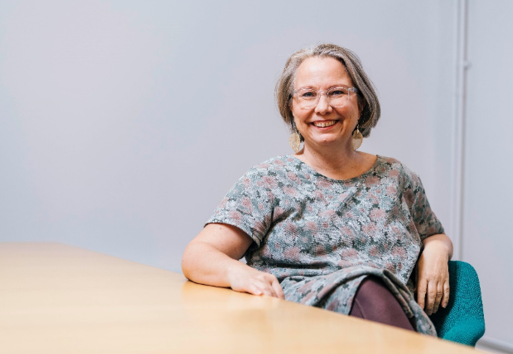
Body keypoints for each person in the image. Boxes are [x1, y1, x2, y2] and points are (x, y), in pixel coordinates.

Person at [181, 43, 452, 335]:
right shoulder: (268, 180)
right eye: (308, 94)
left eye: (337, 92)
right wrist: (239, 273)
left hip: (389, 322)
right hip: (299, 328)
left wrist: (436, 250)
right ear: (292, 108)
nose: (322, 107)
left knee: (373, 286)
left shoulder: (396, 178)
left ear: (361, 103)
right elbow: (198, 255)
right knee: (367, 286)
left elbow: (433, 233)